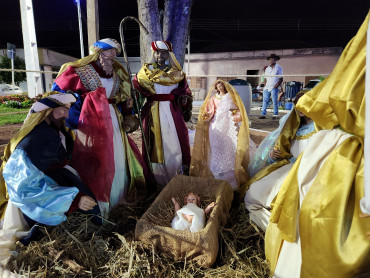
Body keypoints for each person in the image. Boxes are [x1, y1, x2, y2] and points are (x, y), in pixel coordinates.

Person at [264, 13, 370, 277]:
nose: (302, 111)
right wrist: (281, 155)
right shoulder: (310, 130)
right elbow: (285, 152)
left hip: (321, 169)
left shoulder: (326, 132)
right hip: (298, 167)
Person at [0, 93, 100, 265]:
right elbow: (26, 185)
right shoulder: (37, 138)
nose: (67, 115)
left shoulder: (53, 129)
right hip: (38, 195)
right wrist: (73, 200)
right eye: (63, 110)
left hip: (57, 179)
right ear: (48, 111)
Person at [51, 38, 147, 218]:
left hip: (113, 119)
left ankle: (118, 197)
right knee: (98, 160)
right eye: (109, 51)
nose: (113, 55)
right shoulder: (80, 71)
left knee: (117, 156)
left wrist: (128, 108)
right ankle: (99, 201)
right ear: (99, 53)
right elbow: (63, 94)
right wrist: (76, 121)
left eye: (115, 52)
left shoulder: (117, 74)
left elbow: (120, 99)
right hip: (91, 122)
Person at [242, 92, 314, 231]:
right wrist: (273, 154)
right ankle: (273, 229)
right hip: (287, 166)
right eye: (296, 105)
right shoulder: (293, 128)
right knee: (251, 194)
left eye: (303, 103)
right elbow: (281, 152)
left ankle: (283, 228)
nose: (299, 108)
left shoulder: (320, 128)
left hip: (308, 170)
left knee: (285, 200)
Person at [133, 41, 193, 187]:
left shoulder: (177, 73)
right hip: (153, 112)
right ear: (154, 54)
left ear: (168, 55)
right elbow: (137, 93)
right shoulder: (144, 73)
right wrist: (134, 99)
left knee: (174, 142)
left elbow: (184, 93)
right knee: (154, 144)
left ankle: (176, 175)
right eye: (158, 52)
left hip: (173, 113)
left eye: (164, 52)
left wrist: (184, 100)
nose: (160, 55)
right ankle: (156, 179)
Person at [190, 80, 254, 192]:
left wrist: (235, 115)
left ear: (225, 86)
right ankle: (216, 173)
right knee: (216, 148)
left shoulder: (231, 97)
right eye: (218, 86)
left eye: (221, 85)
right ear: (216, 87)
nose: (220, 87)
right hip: (216, 124)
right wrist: (206, 116)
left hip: (229, 125)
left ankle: (231, 177)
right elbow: (209, 111)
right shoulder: (214, 98)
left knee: (230, 147)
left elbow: (239, 110)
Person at [259, 53, 283, 120]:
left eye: (272, 59)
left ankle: (275, 115)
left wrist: (276, 86)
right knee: (265, 101)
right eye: (270, 59)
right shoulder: (267, 69)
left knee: (274, 101)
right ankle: (263, 114)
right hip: (267, 87)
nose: (271, 60)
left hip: (274, 87)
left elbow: (281, 79)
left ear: (275, 59)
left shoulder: (279, 68)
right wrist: (265, 85)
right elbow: (266, 78)